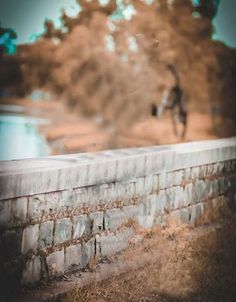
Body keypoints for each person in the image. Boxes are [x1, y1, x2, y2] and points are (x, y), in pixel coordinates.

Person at [151, 64, 187, 138]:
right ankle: (157, 112)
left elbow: (177, 78)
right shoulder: (174, 89)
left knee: (172, 106)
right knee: (168, 105)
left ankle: (157, 112)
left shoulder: (178, 91)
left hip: (177, 100)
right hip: (175, 100)